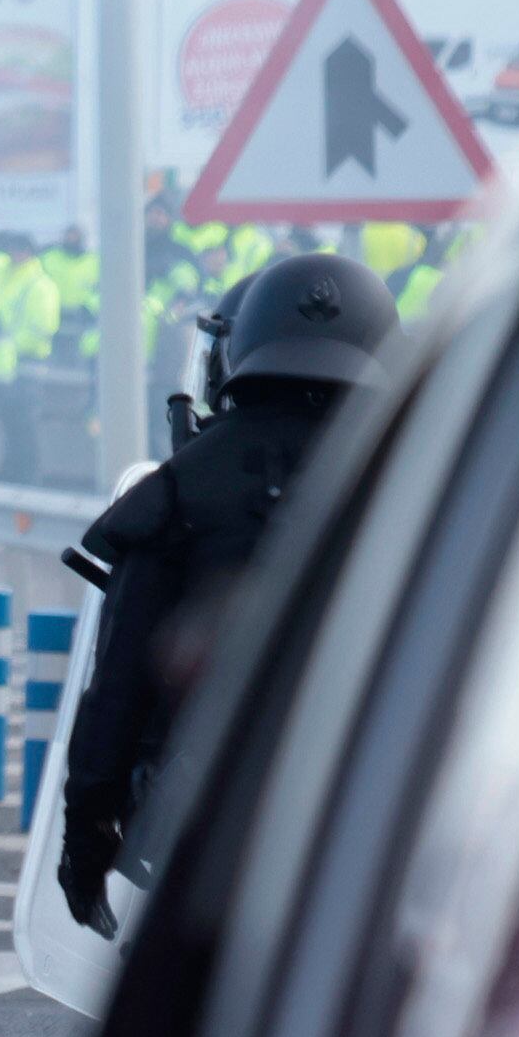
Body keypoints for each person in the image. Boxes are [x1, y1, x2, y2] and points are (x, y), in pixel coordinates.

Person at [56, 250, 396, 933]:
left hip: (202, 822)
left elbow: (117, 682)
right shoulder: (420, 477)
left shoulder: (180, 487)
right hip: (373, 814)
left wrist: (85, 840)